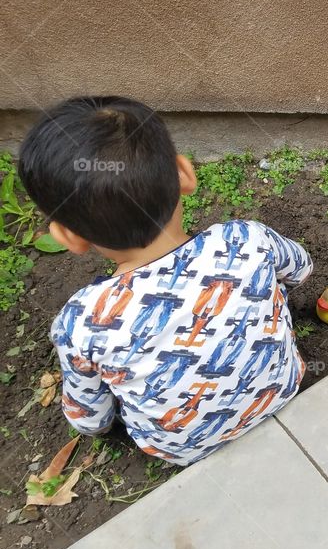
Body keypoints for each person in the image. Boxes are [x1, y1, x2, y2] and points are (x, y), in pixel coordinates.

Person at [18, 96, 312, 465]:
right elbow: (300, 270)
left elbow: (90, 419)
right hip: (282, 390)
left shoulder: (82, 322)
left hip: (183, 449)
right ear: (184, 174)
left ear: (68, 238)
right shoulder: (246, 239)